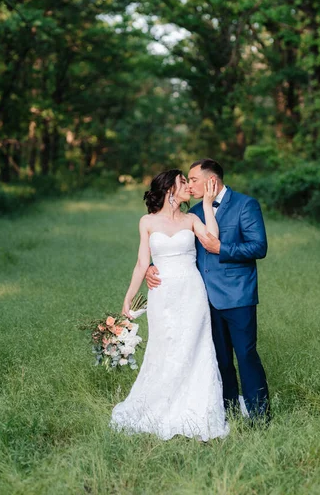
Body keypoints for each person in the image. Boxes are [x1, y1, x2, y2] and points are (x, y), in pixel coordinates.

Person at [146, 159, 270, 422]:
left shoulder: (245, 205)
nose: (189, 186)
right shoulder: (195, 214)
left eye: (193, 180)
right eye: (187, 181)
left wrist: (222, 249)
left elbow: (259, 247)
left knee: (246, 356)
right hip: (201, 299)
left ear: (211, 180)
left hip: (238, 296)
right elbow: (177, 247)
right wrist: (152, 267)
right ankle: (229, 410)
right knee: (219, 359)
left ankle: (260, 415)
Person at [111, 169, 229, 441]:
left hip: (192, 292)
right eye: (183, 182)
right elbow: (143, 262)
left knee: (195, 347)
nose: (188, 185)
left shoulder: (192, 218)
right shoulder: (147, 222)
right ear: (169, 190)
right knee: (164, 347)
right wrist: (128, 297)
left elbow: (212, 240)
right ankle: (158, 404)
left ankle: (195, 407)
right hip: (162, 295)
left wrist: (209, 206)